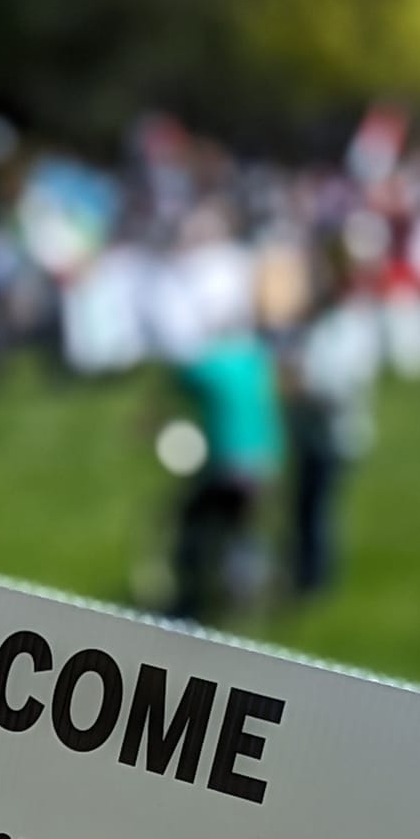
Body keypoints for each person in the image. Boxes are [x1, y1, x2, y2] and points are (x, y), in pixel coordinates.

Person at [166, 327, 285, 624]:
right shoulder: (255, 361)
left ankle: (197, 593)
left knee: (197, 522)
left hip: (227, 464)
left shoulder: (212, 366)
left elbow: (179, 379)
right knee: (244, 526)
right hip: (265, 461)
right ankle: (246, 588)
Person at [284, 250, 379, 599]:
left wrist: (300, 389)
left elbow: (340, 387)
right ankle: (304, 571)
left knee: (316, 509)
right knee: (304, 505)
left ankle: (314, 579)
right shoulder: (322, 323)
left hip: (332, 434)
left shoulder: (351, 327)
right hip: (309, 431)